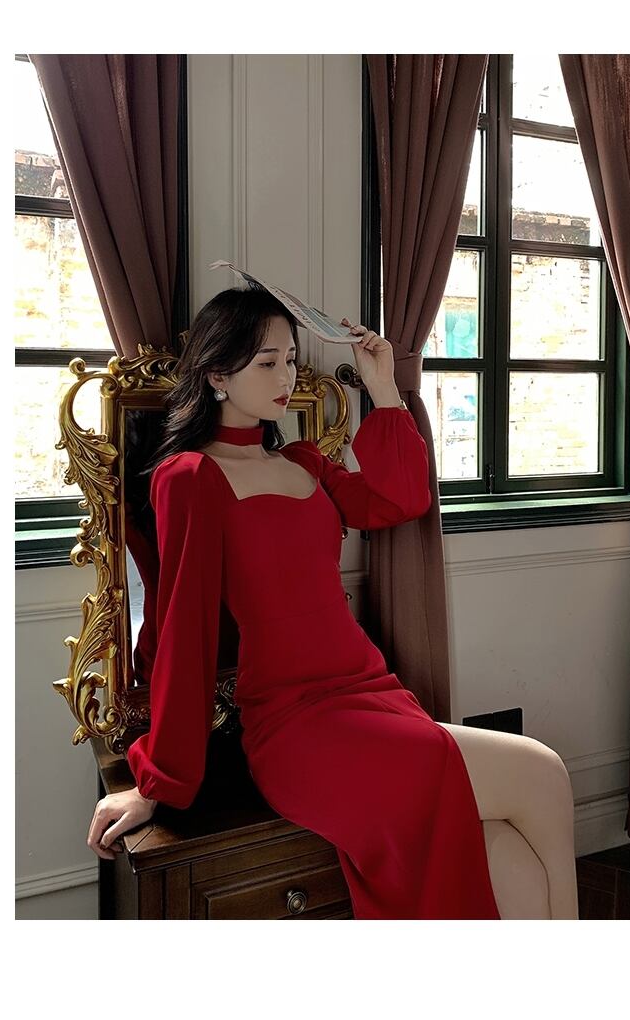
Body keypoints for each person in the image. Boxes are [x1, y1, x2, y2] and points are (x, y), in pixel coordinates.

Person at [87, 286, 579, 919]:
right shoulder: (189, 477)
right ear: (216, 375)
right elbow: (185, 630)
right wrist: (158, 783)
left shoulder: (304, 462)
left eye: (291, 359)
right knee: (542, 773)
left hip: (372, 692)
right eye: (266, 362)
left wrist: (383, 388)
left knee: (508, 853)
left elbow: (400, 499)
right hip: (297, 723)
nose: (286, 377)